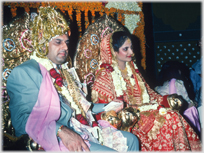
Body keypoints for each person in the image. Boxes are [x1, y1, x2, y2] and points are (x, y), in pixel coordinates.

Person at [6, 7, 139, 152]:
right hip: (54, 138)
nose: (65, 47)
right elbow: (20, 121)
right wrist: (60, 130)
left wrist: (109, 105)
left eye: (66, 42)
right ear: (43, 43)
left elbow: (82, 107)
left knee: (131, 140)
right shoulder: (25, 72)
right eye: (58, 42)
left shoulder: (64, 71)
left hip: (81, 129)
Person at [91, 31, 202, 151]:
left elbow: (149, 94)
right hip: (129, 121)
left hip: (146, 111)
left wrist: (166, 99)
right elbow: (104, 109)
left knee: (174, 116)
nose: (131, 52)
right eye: (126, 49)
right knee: (168, 119)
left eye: (131, 48)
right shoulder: (104, 74)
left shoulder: (133, 69)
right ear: (113, 51)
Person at [155, 60, 201, 137]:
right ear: (177, 71)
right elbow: (186, 103)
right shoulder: (177, 83)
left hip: (165, 119)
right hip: (179, 119)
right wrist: (194, 103)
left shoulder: (157, 87)